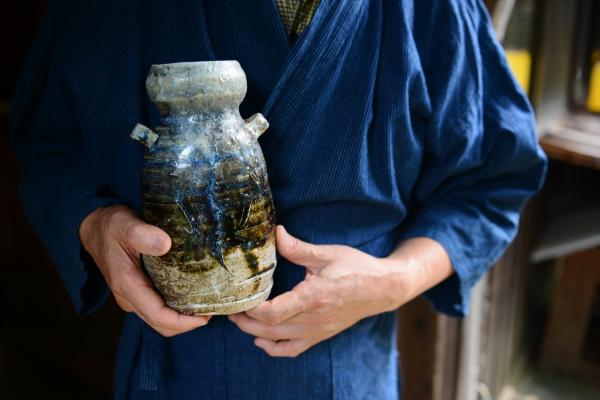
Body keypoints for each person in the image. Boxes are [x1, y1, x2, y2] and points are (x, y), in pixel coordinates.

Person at [10, 0, 547, 399]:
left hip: (345, 374)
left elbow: (492, 181)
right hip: (173, 370)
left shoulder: (431, 10)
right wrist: (96, 225)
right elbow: (49, 146)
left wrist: (394, 280)